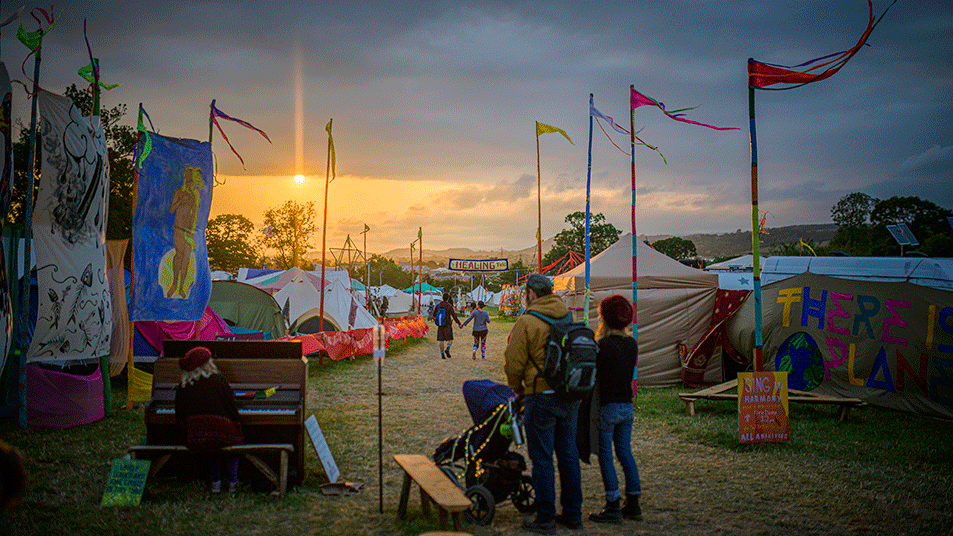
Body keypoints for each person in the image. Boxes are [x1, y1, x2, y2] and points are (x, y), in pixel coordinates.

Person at [504, 274, 582, 533]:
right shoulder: (567, 316)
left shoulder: (527, 321)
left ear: (532, 294)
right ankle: (572, 513)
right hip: (569, 395)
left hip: (540, 395)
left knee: (542, 458)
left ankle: (546, 516)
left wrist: (517, 390)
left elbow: (513, 363)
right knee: (568, 455)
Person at [588, 294, 642, 523]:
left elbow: (595, 377)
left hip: (608, 406)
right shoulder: (632, 344)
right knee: (625, 453)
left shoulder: (603, 346)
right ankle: (633, 502)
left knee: (606, 457)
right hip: (626, 406)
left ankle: (612, 504)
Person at [175, 346, 244, 493]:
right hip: (221, 434)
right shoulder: (219, 381)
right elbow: (231, 410)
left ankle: (215, 483)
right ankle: (233, 482)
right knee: (230, 440)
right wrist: (238, 424)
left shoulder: (183, 386)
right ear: (208, 364)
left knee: (210, 445)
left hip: (195, 437)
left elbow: (179, 416)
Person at [167, 166, 204, 299]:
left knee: (186, 257)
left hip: (188, 230)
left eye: (190, 175)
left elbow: (195, 212)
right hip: (178, 227)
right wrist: (180, 202)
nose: (188, 178)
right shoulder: (179, 192)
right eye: (186, 175)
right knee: (179, 255)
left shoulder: (195, 194)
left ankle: (182, 287)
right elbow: (171, 209)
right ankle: (174, 283)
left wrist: (192, 231)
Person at [433, 292, 462, 359]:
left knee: (441, 340)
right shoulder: (449, 306)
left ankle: (442, 354)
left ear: (442, 298)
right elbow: (454, 316)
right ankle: (447, 349)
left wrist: (436, 319)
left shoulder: (438, 305)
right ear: (448, 298)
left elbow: (433, 314)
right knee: (450, 339)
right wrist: (459, 323)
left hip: (440, 325)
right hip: (447, 324)